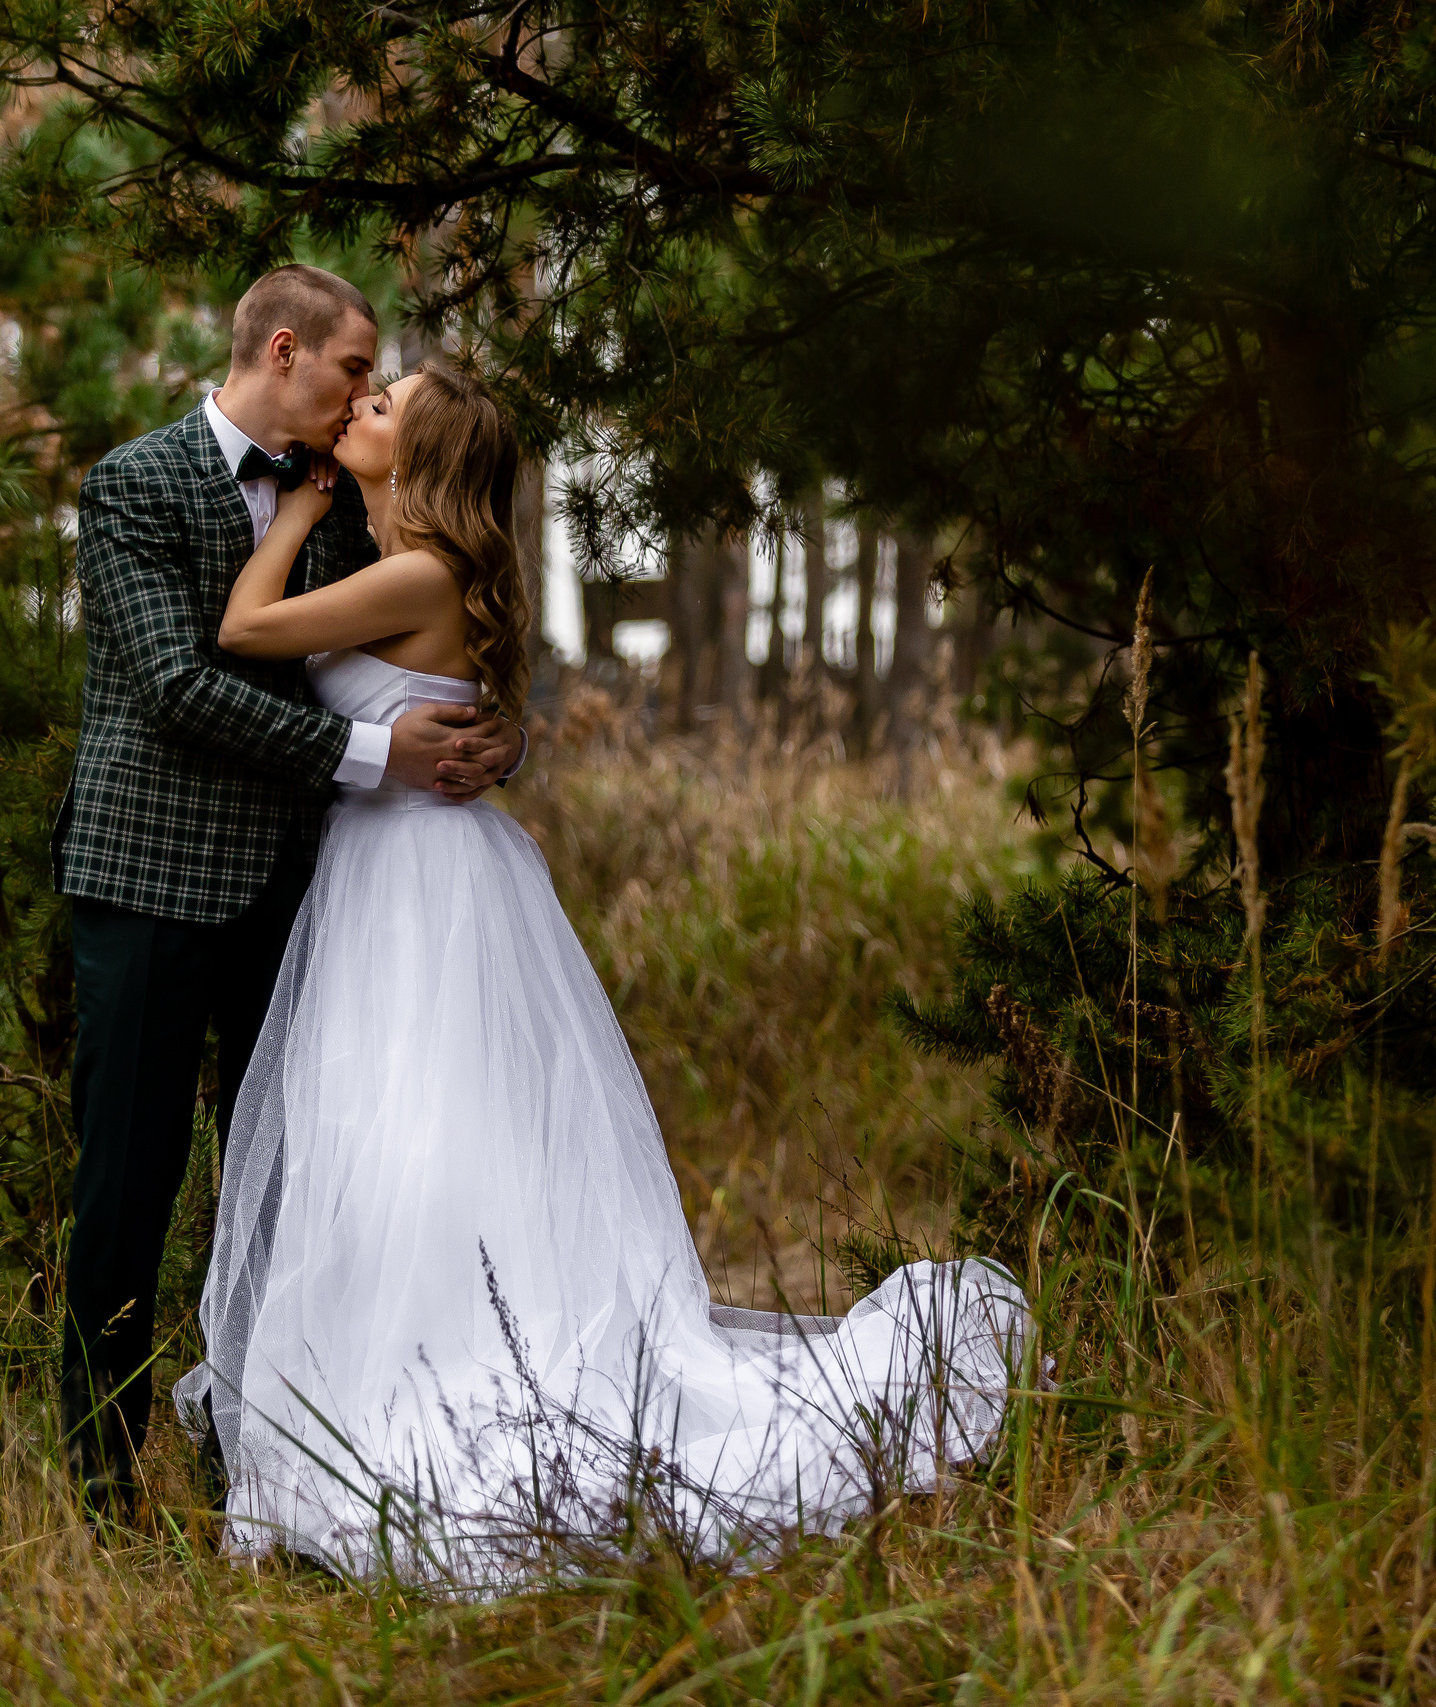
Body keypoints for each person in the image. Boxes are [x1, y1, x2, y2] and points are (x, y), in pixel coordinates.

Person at [177, 361, 1032, 1582]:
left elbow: (246, 630)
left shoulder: (416, 572)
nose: (359, 409)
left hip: (415, 884)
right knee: (390, 1142)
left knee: (414, 1139)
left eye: (384, 409)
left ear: (418, 466)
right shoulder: (420, 570)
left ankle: (421, 1400)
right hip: (398, 869)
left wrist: (303, 508)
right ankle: (367, 1393)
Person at [50, 266, 527, 1524]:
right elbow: (177, 688)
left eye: (377, 379)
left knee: (284, 1188)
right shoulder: (136, 485)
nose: (367, 390)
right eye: (357, 369)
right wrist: (383, 756)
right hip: (149, 884)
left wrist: (491, 741)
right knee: (128, 1190)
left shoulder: (362, 508)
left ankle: (259, 1467)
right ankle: (103, 1489)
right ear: (283, 350)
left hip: (311, 901)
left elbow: (447, 630)